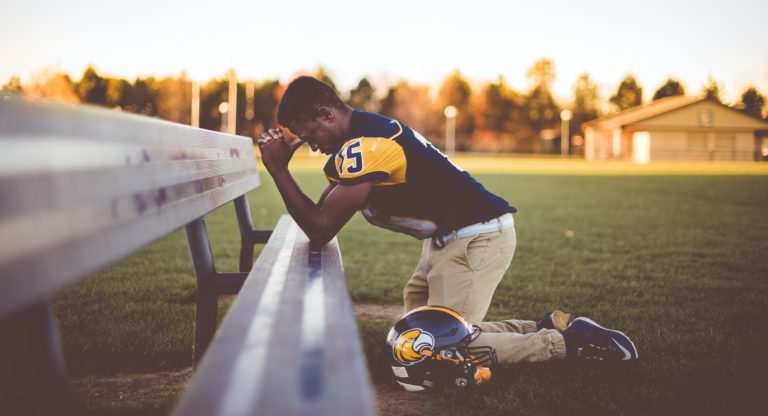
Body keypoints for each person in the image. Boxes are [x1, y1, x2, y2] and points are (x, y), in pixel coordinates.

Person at [257, 76, 637, 366]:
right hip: (449, 240)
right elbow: (323, 214)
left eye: (310, 135)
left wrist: (278, 170)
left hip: (475, 239)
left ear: (326, 114)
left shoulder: (367, 144)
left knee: (440, 349)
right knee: (417, 339)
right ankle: (545, 328)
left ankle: (569, 344)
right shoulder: (359, 138)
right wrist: (283, 169)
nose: (312, 144)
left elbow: (321, 227)